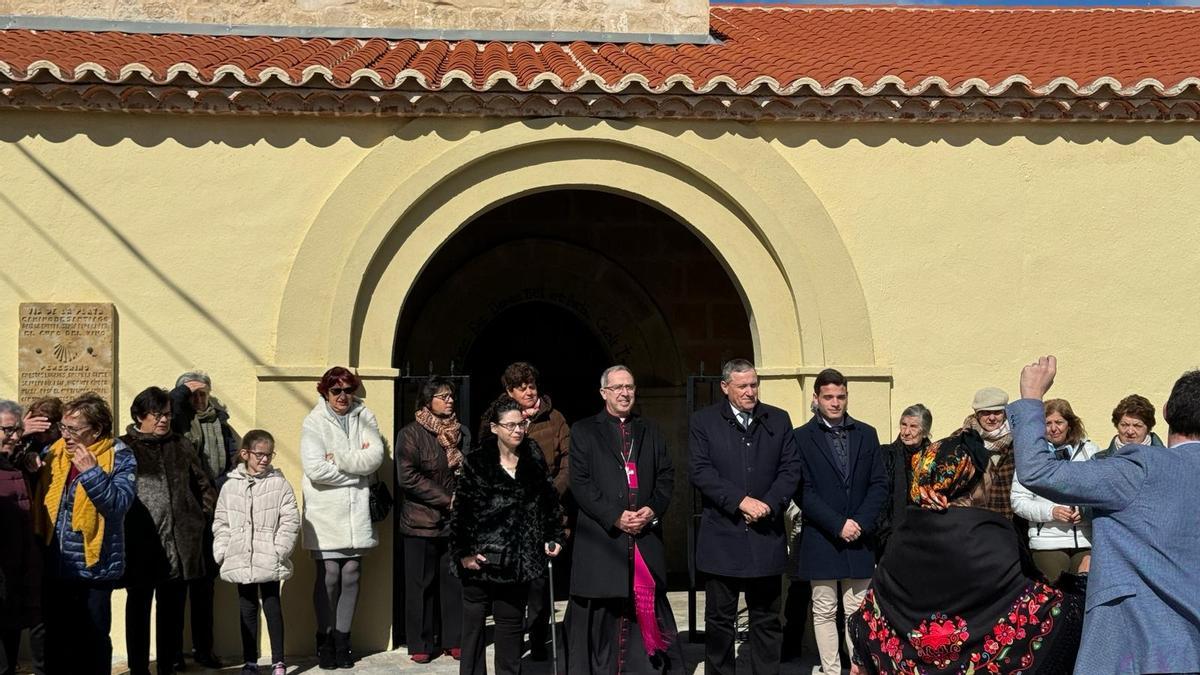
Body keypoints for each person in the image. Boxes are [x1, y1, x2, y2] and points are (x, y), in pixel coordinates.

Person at [1011, 356, 1200, 674]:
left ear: (1166, 411)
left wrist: (1031, 396)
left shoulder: (1139, 470)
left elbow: (1038, 471)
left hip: (1144, 652)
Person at [847, 429, 1084, 674]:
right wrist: (1076, 590)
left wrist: (861, 657)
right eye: (986, 471)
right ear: (971, 480)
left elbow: (875, 606)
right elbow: (1033, 602)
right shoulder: (992, 536)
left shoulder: (904, 533)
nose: (991, 476)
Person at [566, 365, 683, 674]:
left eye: (629, 387)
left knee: (641, 606)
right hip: (604, 540)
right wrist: (615, 516)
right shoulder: (584, 430)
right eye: (617, 387)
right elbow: (580, 483)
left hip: (643, 537)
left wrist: (652, 510)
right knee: (605, 609)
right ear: (604, 392)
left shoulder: (650, 430)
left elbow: (666, 476)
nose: (624, 393)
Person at [689, 358, 802, 675]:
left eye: (754, 385)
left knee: (766, 619)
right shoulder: (704, 421)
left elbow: (790, 469)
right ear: (725, 387)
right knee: (720, 621)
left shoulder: (777, 420)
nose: (750, 392)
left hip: (766, 536)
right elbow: (700, 471)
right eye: (743, 386)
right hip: (722, 538)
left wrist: (767, 504)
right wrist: (740, 501)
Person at [452, 395, 564, 675]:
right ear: (494, 428)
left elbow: (549, 502)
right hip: (480, 559)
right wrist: (464, 552)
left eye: (522, 424)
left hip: (518, 559)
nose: (518, 430)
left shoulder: (534, 456)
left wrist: (554, 536)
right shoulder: (477, 461)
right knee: (474, 631)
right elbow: (462, 510)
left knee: (510, 629)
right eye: (511, 425)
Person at [792, 368, 887, 675]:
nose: (835, 402)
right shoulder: (800, 437)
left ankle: (859, 667)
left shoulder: (867, 433)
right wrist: (837, 524)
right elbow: (801, 490)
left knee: (858, 610)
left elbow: (879, 484)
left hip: (859, 536)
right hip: (822, 536)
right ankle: (832, 670)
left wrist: (859, 522)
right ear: (816, 398)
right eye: (828, 397)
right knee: (823, 609)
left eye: (841, 396)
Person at [33, 393, 136, 675]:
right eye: (63, 427)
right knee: (55, 644)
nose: (65, 435)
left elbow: (118, 505)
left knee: (92, 643)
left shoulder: (119, 456)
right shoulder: (53, 451)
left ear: (97, 430)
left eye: (73, 430)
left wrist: (92, 472)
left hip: (95, 569)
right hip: (56, 565)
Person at [120, 387, 216, 675]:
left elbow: (203, 485)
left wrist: (200, 515)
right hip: (140, 544)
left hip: (181, 543)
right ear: (140, 415)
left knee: (172, 613)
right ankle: (138, 668)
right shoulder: (124, 447)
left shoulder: (181, 445)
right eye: (158, 414)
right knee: (138, 609)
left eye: (168, 414)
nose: (164, 420)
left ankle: (168, 666)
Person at [481, 362, 570, 660]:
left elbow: (568, 461)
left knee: (540, 584)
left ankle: (539, 635)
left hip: (544, 511)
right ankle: (512, 637)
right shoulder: (497, 420)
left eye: (532, 385)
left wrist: (551, 493)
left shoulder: (554, 418)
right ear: (509, 391)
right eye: (522, 387)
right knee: (510, 584)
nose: (529, 391)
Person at [300, 366, 385, 669]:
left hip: (356, 514)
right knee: (329, 577)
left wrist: (340, 458)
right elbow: (315, 469)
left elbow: (375, 457)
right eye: (336, 390)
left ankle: (342, 640)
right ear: (325, 391)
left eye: (348, 390)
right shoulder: (314, 422)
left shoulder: (365, 416)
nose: (343, 396)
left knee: (351, 574)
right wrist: (357, 475)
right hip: (326, 513)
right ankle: (324, 639)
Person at [212, 430, 300, 675]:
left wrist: (279, 549)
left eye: (269, 454)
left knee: (272, 605)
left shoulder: (279, 484)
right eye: (259, 454)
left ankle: (278, 661)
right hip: (239, 556)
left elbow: (290, 519)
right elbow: (221, 522)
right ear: (245, 453)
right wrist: (223, 550)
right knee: (247, 608)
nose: (265, 459)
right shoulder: (230, 487)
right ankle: (250, 661)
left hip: (268, 557)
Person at [396, 377, 471, 664]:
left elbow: (468, 469)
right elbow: (408, 477)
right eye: (442, 396)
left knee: (454, 584)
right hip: (420, 521)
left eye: (451, 395)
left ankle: (455, 640)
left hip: (454, 522)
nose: (449, 400)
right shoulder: (411, 434)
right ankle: (421, 643)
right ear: (428, 401)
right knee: (420, 586)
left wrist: (462, 499)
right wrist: (446, 499)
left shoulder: (461, 433)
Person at [170, 370, 239, 670]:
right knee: (176, 585)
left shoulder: (221, 423)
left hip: (213, 510)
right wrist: (179, 396)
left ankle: (204, 649)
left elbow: (235, 458)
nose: (198, 399)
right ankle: (172, 653)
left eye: (203, 393)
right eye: (192, 394)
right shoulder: (175, 421)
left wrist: (219, 488)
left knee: (204, 585)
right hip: (182, 512)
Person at [1010, 398, 1100, 583]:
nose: (1053, 428)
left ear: (1070, 424)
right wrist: (1051, 512)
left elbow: (1101, 494)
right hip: (1047, 542)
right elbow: (1018, 501)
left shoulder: (1090, 452)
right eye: (1047, 423)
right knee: (1055, 600)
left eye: (1059, 422)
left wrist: (1084, 511)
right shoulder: (1032, 456)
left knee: (1084, 597)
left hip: (1085, 540)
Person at [0, 400, 44, 675]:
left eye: (18, 430)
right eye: (7, 430)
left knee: (10, 643)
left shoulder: (16, 464)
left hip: (16, 570)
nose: (14, 437)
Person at [875, 403, 932, 558]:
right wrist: (883, 532)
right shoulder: (884, 454)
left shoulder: (934, 460)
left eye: (913, 427)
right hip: (888, 538)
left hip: (923, 537)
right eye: (903, 425)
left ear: (925, 432)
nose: (906, 432)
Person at [962, 387, 1016, 519]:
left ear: (1005, 413)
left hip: (1011, 519)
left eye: (997, 412)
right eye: (986, 412)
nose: (992, 418)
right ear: (977, 414)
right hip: (974, 519)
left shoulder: (1018, 439)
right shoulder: (962, 439)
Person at [1100, 393, 1165, 455]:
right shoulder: (1099, 460)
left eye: (1137, 426)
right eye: (1124, 425)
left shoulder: (1166, 458)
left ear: (1148, 428)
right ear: (1117, 426)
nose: (1130, 431)